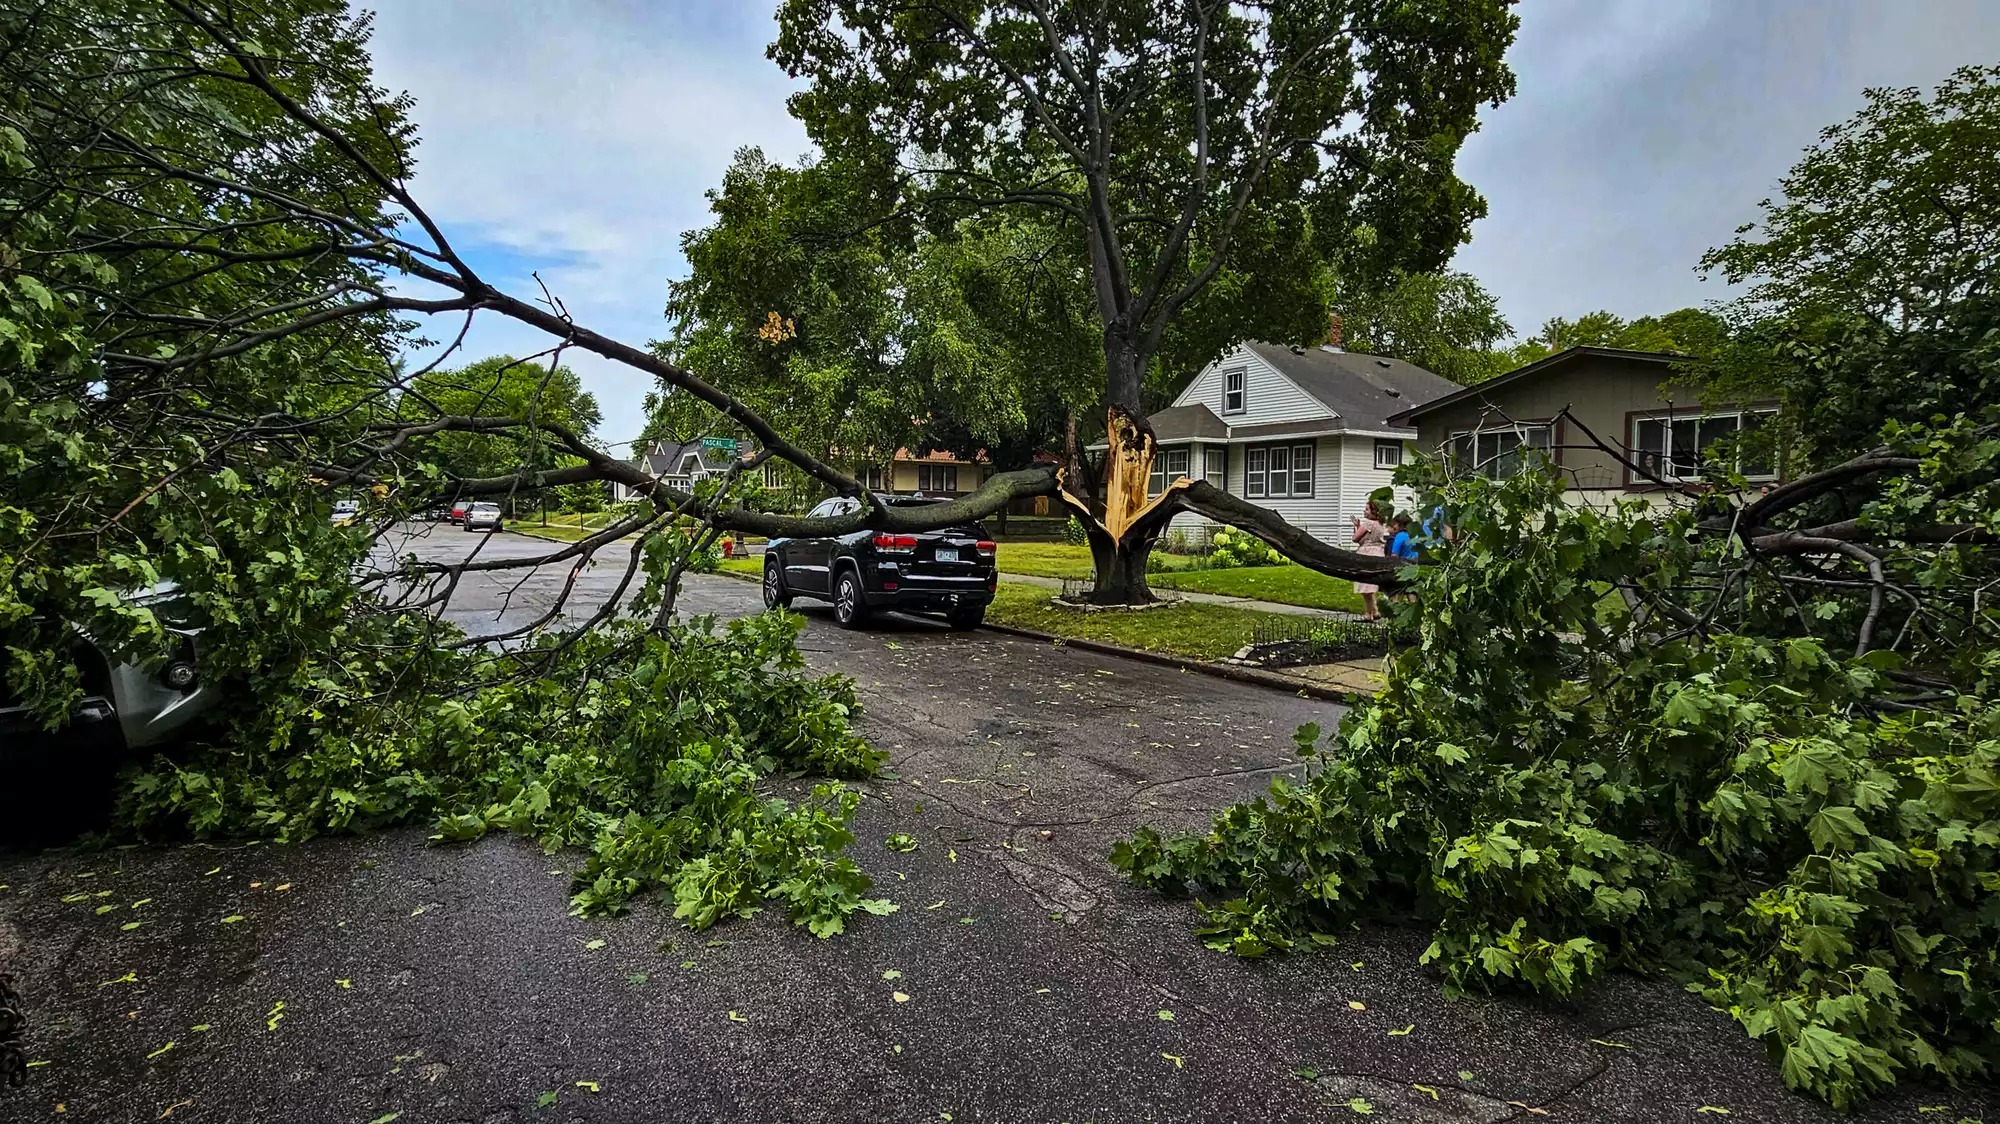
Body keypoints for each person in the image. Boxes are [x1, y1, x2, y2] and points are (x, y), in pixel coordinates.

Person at [1350, 499, 1390, 621]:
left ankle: (1368, 614)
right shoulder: (1380, 524)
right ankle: (1375, 611)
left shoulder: (1368, 523)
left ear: (1374, 512)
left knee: (1365, 586)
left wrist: (1357, 527)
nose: (1364, 511)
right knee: (1371, 586)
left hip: (1367, 553)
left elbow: (1356, 539)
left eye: (1367, 509)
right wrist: (1358, 525)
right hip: (1378, 553)